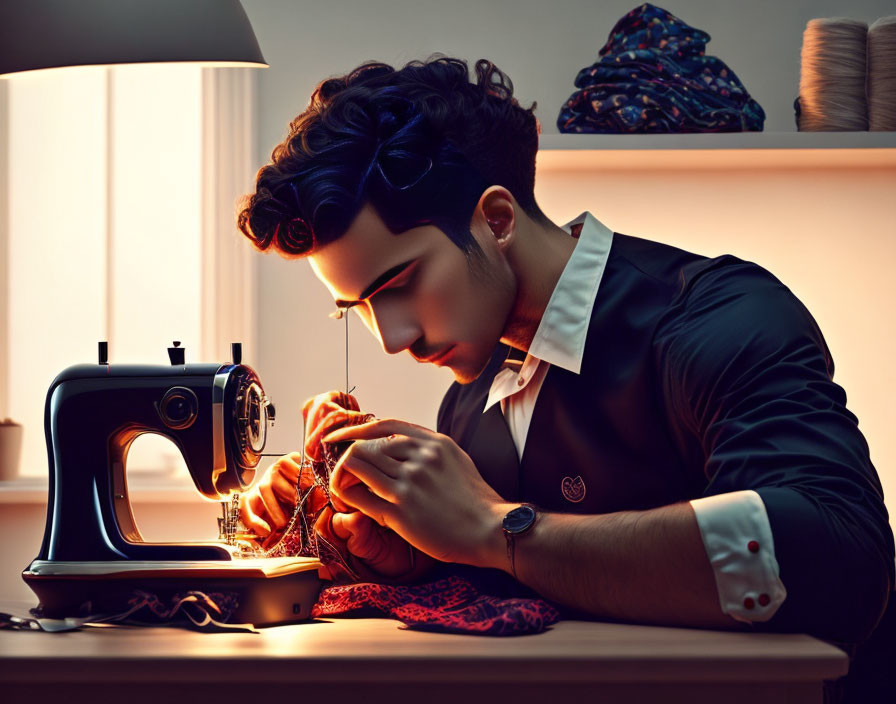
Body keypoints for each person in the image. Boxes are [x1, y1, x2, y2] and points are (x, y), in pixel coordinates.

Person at [235, 55, 894, 649]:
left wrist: (496, 530)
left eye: (401, 284)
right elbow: (538, 590)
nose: (393, 338)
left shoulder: (722, 320)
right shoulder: (471, 395)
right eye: (361, 308)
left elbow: (839, 558)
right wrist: (410, 553)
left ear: (496, 220)